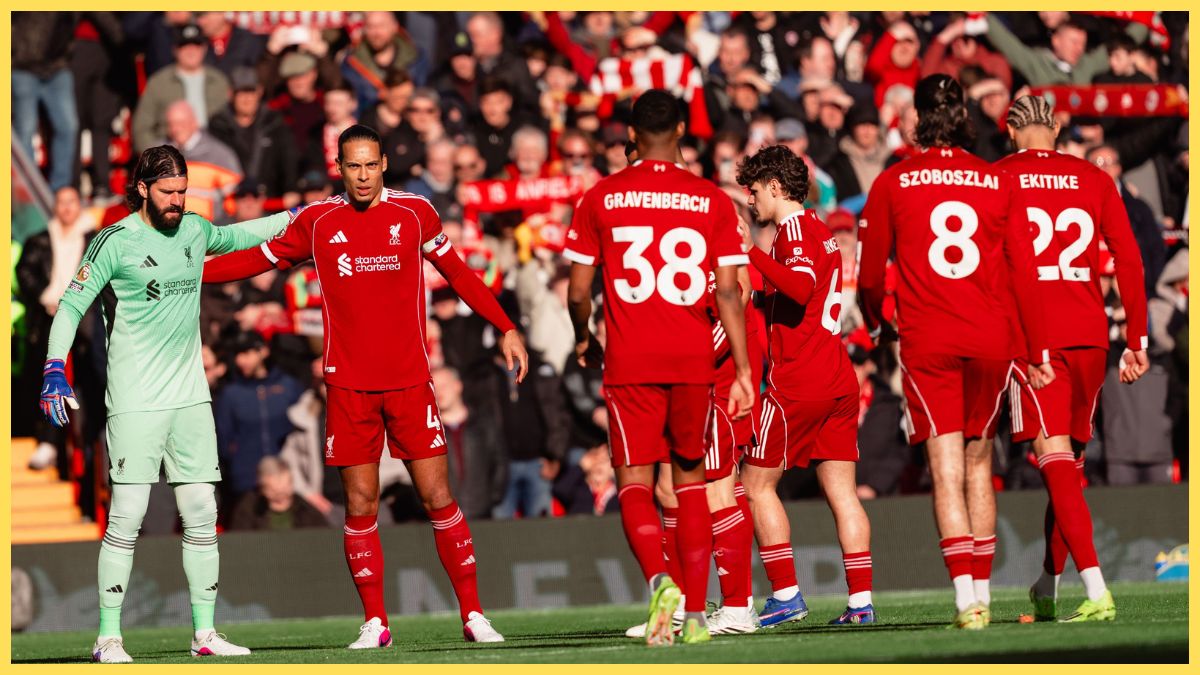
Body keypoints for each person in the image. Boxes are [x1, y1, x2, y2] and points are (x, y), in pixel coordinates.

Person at [200, 123, 526, 647]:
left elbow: (460, 274)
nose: (363, 175)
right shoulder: (317, 221)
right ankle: (376, 622)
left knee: (439, 496)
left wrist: (506, 326)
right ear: (340, 167)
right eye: (353, 165)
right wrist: (193, 271)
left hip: (410, 382)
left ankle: (473, 614)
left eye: (371, 164)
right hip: (349, 386)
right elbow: (257, 260)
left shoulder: (415, 213)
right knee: (360, 506)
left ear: (383, 165)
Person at [37, 144, 293, 662]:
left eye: (183, 192)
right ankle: (108, 636)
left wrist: (295, 216)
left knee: (201, 510)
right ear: (142, 189)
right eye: (169, 192)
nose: (178, 202)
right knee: (127, 515)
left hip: (190, 397)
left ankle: (204, 634)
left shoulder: (196, 229)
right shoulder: (114, 241)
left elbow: (238, 235)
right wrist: (53, 368)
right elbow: (69, 308)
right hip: (134, 400)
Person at [857, 74, 1050, 629]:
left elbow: (871, 278)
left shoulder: (894, 181)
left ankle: (968, 600)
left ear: (915, 117)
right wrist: (1034, 347)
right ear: (965, 114)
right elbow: (1024, 272)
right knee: (978, 462)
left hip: (930, 337)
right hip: (991, 338)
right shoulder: (995, 181)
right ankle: (984, 587)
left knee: (944, 470)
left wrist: (878, 322)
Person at [564, 89, 753, 645]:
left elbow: (578, 292)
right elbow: (727, 294)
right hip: (694, 360)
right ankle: (696, 615)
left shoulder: (601, 196)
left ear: (630, 135)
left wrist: (584, 335)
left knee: (635, 484)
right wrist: (741, 367)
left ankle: (658, 582)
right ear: (681, 134)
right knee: (691, 483)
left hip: (631, 360)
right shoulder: (711, 200)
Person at [998, 94, 1150, 623]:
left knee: (1056, 464)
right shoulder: (1094, 177)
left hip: (1035, 337)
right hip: (1090, 334)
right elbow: (1129, 258)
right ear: (1058, 129)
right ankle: (1047, 583)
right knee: (1068, 467)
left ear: (1011, 131)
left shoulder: (999, 176)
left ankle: (1097, 588)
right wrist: (1138, 339)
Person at [736, 146, 876, 626]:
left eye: (754, 191)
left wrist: (749, 251)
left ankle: (786, 594)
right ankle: (861, 604)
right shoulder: (819, 230)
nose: (751, 202)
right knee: (842, 492)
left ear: (775, 187)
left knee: (755, 485)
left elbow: (798, 286)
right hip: (836, 374)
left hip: (800, 377)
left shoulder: (792, 233)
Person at [214, 330, 305, 501]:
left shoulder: (288, 386)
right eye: (237, 355)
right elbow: (224, 440)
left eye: (246, 353)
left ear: (263, 351)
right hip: (246, 485)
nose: (240, 360)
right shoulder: (231, 394)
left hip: (289, 482)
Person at [132, 22, 231, 153]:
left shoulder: (219, 81)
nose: (191, 51)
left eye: (196, 45)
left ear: (204, 48)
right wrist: (156, 156)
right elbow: (141, 128)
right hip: (170, 151)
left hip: (212, 152)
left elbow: (233, 124)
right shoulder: (158, 82)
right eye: (184, 46)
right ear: (175, 49)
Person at [229, 456, 329, 530]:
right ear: (262, 489)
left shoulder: (305, 509)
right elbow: (240, 541)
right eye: (275, 493)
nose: (282, 499)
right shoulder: (249, 508)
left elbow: (323, 537)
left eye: (286, 490)